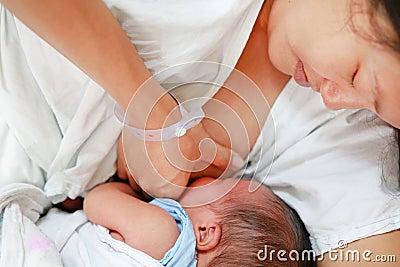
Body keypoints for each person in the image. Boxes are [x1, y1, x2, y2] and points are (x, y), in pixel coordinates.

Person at [0, 0, 399, 266]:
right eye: (357, 75)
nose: (335, 100)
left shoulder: (349, 138)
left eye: (374, 107)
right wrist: (148, 108)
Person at [83, 178, 314, 267]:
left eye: (219, 183)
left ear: (204, 232)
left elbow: (95, 200)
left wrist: (133, 190)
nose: (209, 175)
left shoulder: (160, 232)